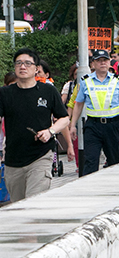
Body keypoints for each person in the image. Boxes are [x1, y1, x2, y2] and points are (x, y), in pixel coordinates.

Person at [0, 48, 70, 202]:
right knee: (18, 206)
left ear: (36, 68)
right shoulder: (5, 93)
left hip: (41, 156)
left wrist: (50, 131)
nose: (22, 67)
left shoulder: (48, 91)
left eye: (27, 63)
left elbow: (64, 118)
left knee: (34, 202)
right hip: (13, 159)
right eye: (18, 63)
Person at [69, 50, 119, 175]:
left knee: (115, 161)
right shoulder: (85, 81)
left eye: (105, 60)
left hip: (113, 125)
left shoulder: (118, 80)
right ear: (93, 64)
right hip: (93, 126)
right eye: (99, 60)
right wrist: (72, 125)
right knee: (90, 160)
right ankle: (89, 190)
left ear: (109, 63)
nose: (102, 63)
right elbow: (78, 104)